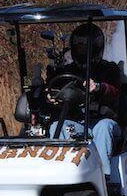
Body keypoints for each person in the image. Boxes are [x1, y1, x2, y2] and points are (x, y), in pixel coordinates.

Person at [48, 23, 121, 177]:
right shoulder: (67, 71)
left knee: (103, 128)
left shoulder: (110, 69)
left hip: (103, 120)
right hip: (78, 122)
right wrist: (51, 97)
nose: (82, 50)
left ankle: (103, 177)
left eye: (85, 46)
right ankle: (63, 173)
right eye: (79, 45)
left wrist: (99, 87)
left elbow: (115, 92)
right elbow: (54, 90)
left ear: (96, 46)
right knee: (56, 126)